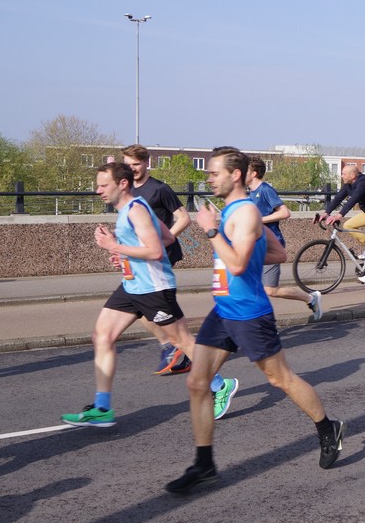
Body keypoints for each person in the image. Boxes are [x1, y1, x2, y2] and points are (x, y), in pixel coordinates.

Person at [168, 148, 345, 493]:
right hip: (224, 310)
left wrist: (211, 232)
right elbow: (277, 253)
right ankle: (204, 464)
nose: (209, 179)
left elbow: (236, 265)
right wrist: (237, 242)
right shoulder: (233, 211)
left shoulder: (247, 212)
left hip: (249, 313)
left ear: (235, 175)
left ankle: (328, 428)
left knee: (281, 379)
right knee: (197, 383)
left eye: (214, 173)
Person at [60, 164, 237, 426]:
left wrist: (114, 245)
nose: (98, 190)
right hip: (132, 286)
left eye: (104, 185)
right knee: (102, 336)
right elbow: (167, 238)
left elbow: (155, 251)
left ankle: (220, 385)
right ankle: (102, 407)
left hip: (154, 289)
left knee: (182, 341)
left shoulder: (136, 210)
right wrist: (123, 253)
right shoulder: (131, 209)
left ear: (122, 184)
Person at [121, 144, 194, 375]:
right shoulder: (126, 190)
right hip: (139, 257)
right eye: (127, 165)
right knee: (146, 307)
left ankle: (177, 348)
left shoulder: (160, 189)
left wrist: (165, 239)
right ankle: (176, 347)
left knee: (148, 306)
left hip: (161, 255)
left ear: (146, 163)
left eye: (136, 164)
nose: (132, 169)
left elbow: (184, 218)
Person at [246, 157, 323, 320]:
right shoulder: (250, 193)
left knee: (270, 290)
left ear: (253, 173)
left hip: (271, 246)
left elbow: (285, 212)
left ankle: (311, 298)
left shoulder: (265, 190)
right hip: (256, 245)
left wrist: (259, 220)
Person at [321, 164, 365, 284]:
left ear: (353, 175)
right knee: (348, 225)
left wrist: (339, 215)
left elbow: (353, 200)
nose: (341, 176)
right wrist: (326, 213)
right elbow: (338, 198)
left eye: (344, 174)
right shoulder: (348, 185)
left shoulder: (363, 183)